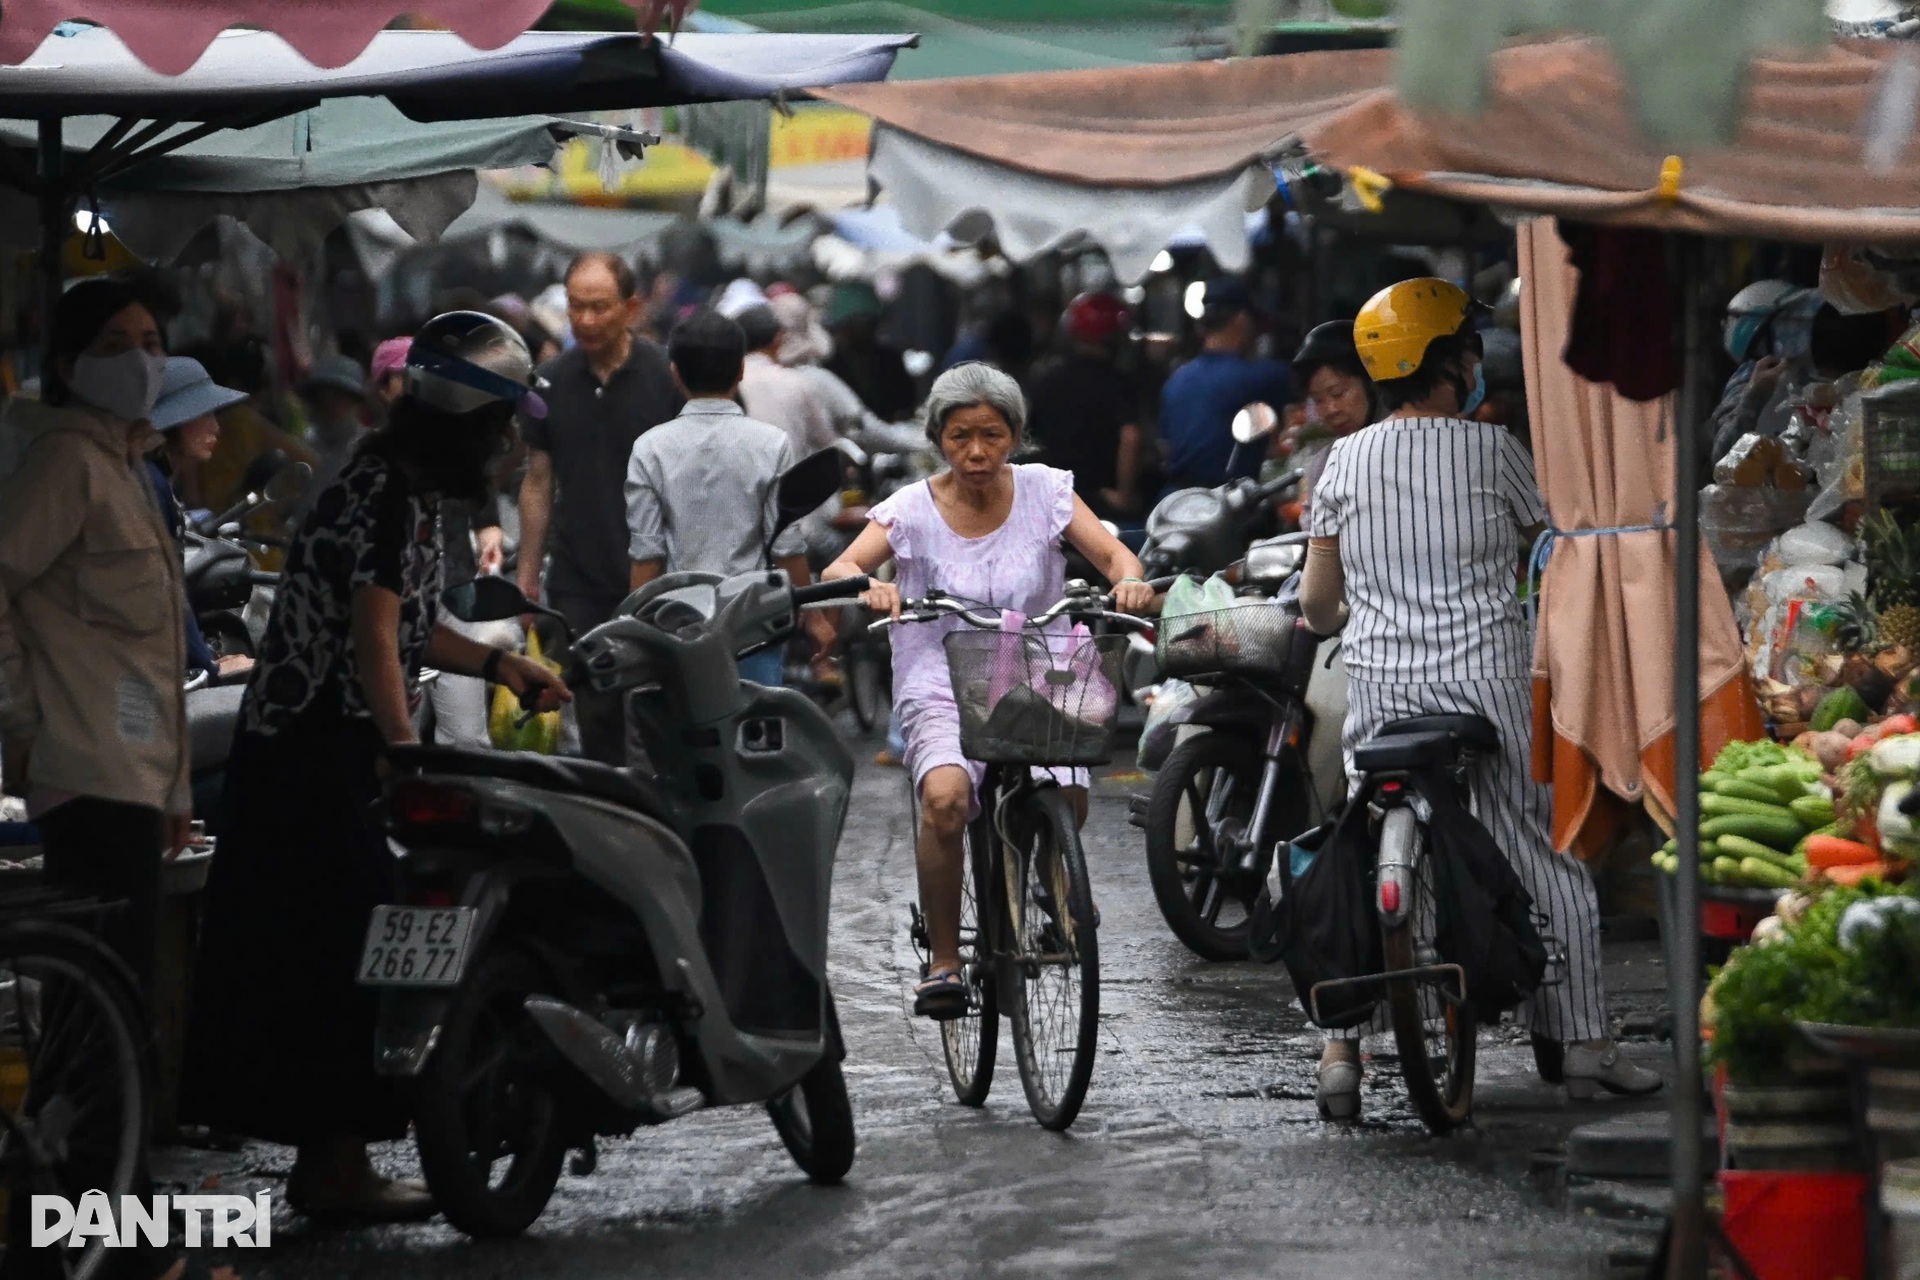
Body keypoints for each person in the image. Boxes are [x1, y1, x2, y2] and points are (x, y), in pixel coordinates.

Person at [184, 312, 569, 1220]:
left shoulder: (391, 482)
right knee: (342, 950)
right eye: (506, 425)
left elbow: (405, 621)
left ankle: (332, 1160)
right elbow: (375, 636)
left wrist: (498, 662)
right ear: (473, 425)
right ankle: (335, 1167)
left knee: (329, 949)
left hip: (306, 751)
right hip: (312, 758)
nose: (513, 445)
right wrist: (404, 755)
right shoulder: (387, 491)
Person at [1297, 278, 1661, 1117]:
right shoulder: (1495, 452)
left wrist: (1367, 607)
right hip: (1486, 688)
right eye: (1469, 351)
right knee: (1541, 852)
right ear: (1452, 362)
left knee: (1362, 853)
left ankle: (1343, 1050)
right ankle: (1583, 1049)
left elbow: (1319, 610)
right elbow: (1558, 552)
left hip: (1383, 691)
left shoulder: (1339, 463)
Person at [819, 363, 1154, 1019]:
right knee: (945, 801)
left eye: (993, 436)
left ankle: (1044, 890)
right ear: (938, 436)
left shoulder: (1048, 492)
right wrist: (867, 583)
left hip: (1039, 663)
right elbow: (844, 563)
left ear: (1015, 436)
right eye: (961, 435)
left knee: (1070, 792)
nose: (976, 452)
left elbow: (1117, 557)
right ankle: (945, 961)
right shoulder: (911, 508)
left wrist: (1130, 578)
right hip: (940, 672)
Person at [0, 279, 205, 1280]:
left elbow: (155, 657)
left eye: (153, 339)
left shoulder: (129, 467)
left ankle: (97, 1217)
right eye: (118, 340)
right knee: (105, 1012)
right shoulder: (65, 464)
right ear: (75, 360)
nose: (142, 355)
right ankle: (122, 1233)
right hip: (80, 768)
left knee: (104, 1014)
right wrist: (21, 719)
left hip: (132, 778)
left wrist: (173, 791)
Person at [519, 252, 682, 765]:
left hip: (658, 577)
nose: (586, 321)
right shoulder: (547, 382)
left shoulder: (665, 377)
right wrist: (526, 578)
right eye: (576, 307)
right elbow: (538, 482)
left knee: (662, 713)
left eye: (600, 307)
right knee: (597, 714)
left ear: (631, 308)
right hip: (578, 580)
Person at [625, 311, 836, 686]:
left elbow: (647, 554)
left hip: (677, 624)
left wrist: (632, 629)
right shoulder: (771, 443)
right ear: (740, 371)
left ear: (675, 373)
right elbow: (786, 545)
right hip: (752, 622)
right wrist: (813, 616)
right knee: (755, 728)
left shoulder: (649, 448)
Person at [372, 337, 508, 748]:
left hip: (452, 601)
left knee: (467, 738)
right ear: (383, 388)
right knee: (402, 736)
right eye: (404, 377)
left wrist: (490, 534)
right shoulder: (370, 464)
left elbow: (479, 499)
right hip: (395, 614)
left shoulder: (451, 448)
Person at [149, 356, 255, 680]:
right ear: (174, 422)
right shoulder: (149, 483)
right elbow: (167, 594)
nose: (216, 426)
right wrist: (208, 666)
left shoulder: (153, 478)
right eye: (204, 413)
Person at [1157, 277, 1291, 492]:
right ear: (1242, 320)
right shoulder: (1261, 377)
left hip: (1172, 501)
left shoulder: (1177, 379)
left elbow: (1165, 449)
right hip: (1223, 506)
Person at [1026, 292, 1145, 522]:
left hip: (1051, 497)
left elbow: (1027, 438)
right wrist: (1124, 495)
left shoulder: (1045, 379)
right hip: (1101, 501)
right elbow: (1131, 437)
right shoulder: (1118, 383)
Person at [1283, 320, 1373, 526]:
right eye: (1318, 400)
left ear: (1370, 382)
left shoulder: (1403, 445)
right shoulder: (1325, 463)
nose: (1330, 409)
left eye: (1338, 393)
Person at [736, 303, 839, 458]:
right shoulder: (797, 382)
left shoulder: (728, 385)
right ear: (778, 339)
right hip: (793, 479)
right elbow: (827, 441)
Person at [824, 281, 916, 423]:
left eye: (870, 323)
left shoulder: (889, 358)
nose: (865, 330)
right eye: (857, 325)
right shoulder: (831, 365)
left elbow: (907, 403)